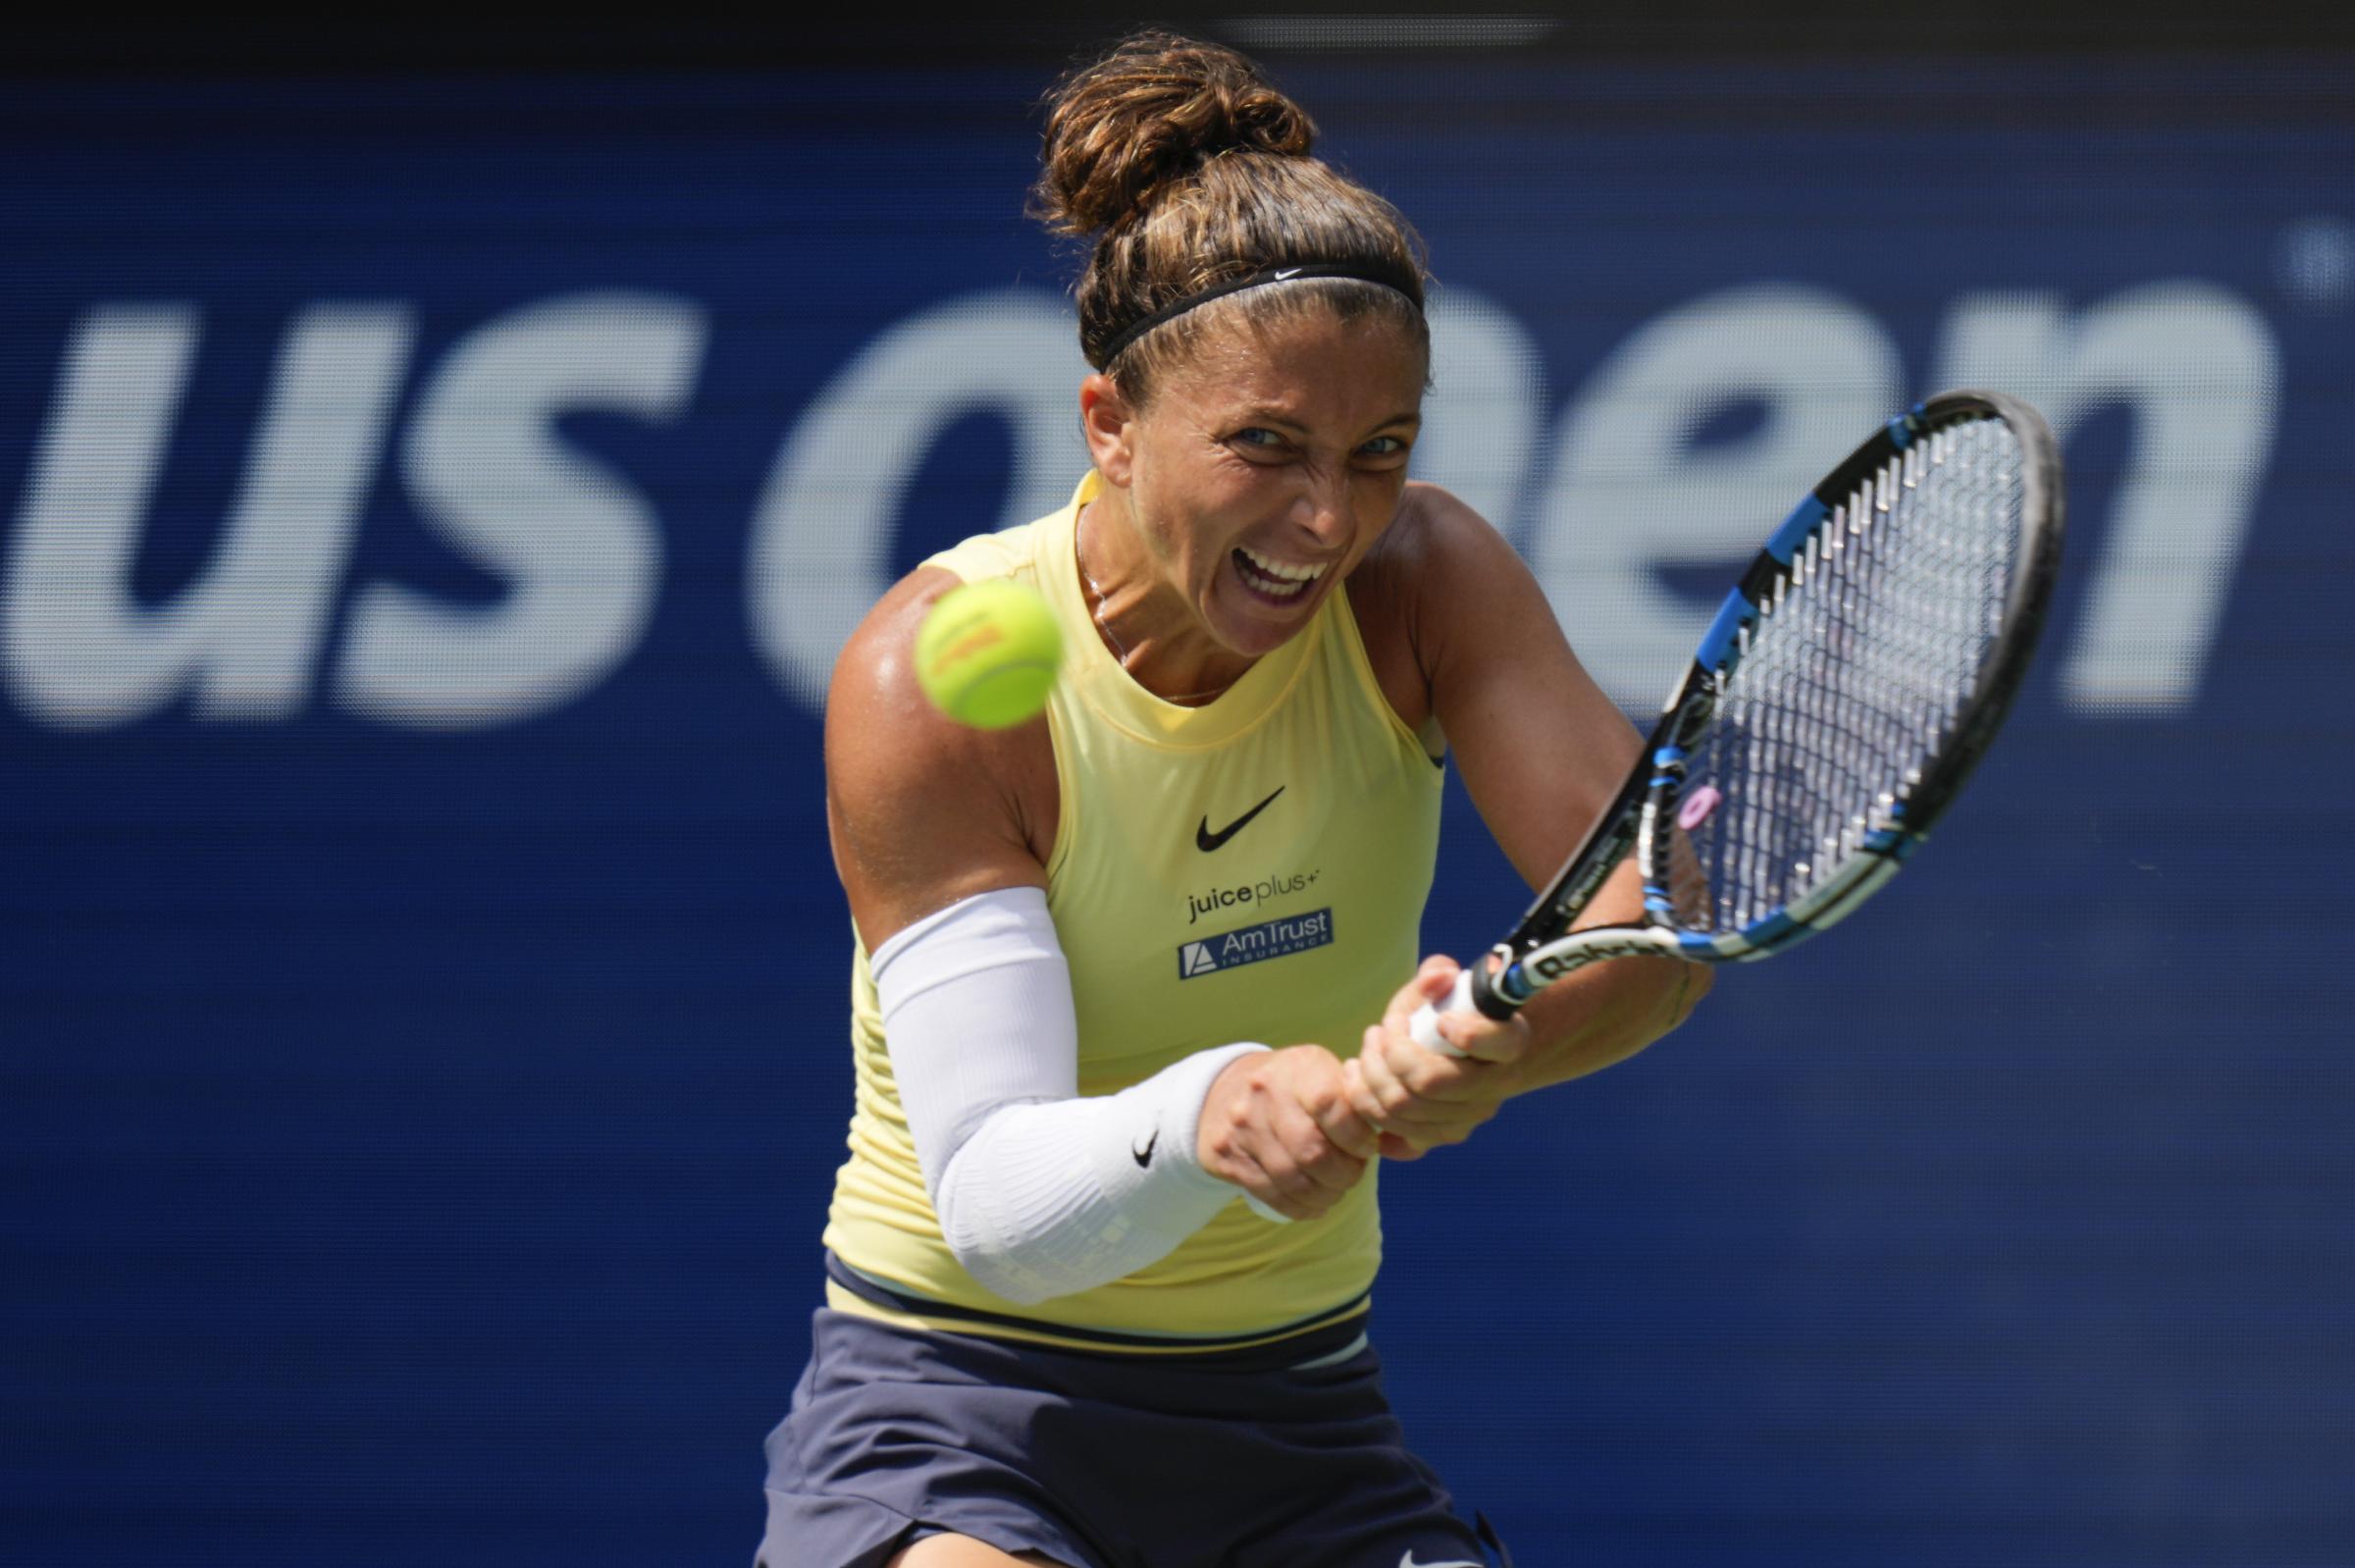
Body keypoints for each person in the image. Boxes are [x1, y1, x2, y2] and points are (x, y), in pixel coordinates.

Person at [757, 30, 1709, 1568]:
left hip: (1299, 1422)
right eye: (1263, 446)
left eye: (1378, 451)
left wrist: (1495, 1053)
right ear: (1109, 426)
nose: (1328, 517)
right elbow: (996, 1192)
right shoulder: (927, 679)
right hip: (958, 1403)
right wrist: (1211, 1111)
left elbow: (1649, 928)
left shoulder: (1427, 584)